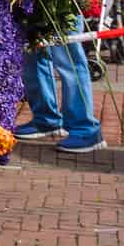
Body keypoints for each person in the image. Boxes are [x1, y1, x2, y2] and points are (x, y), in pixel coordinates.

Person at [15, 11, 105, 154]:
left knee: (68, 61)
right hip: (31, 2)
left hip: (62, 6)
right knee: (33, 53)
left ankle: (86, 130)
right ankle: (46, 120)